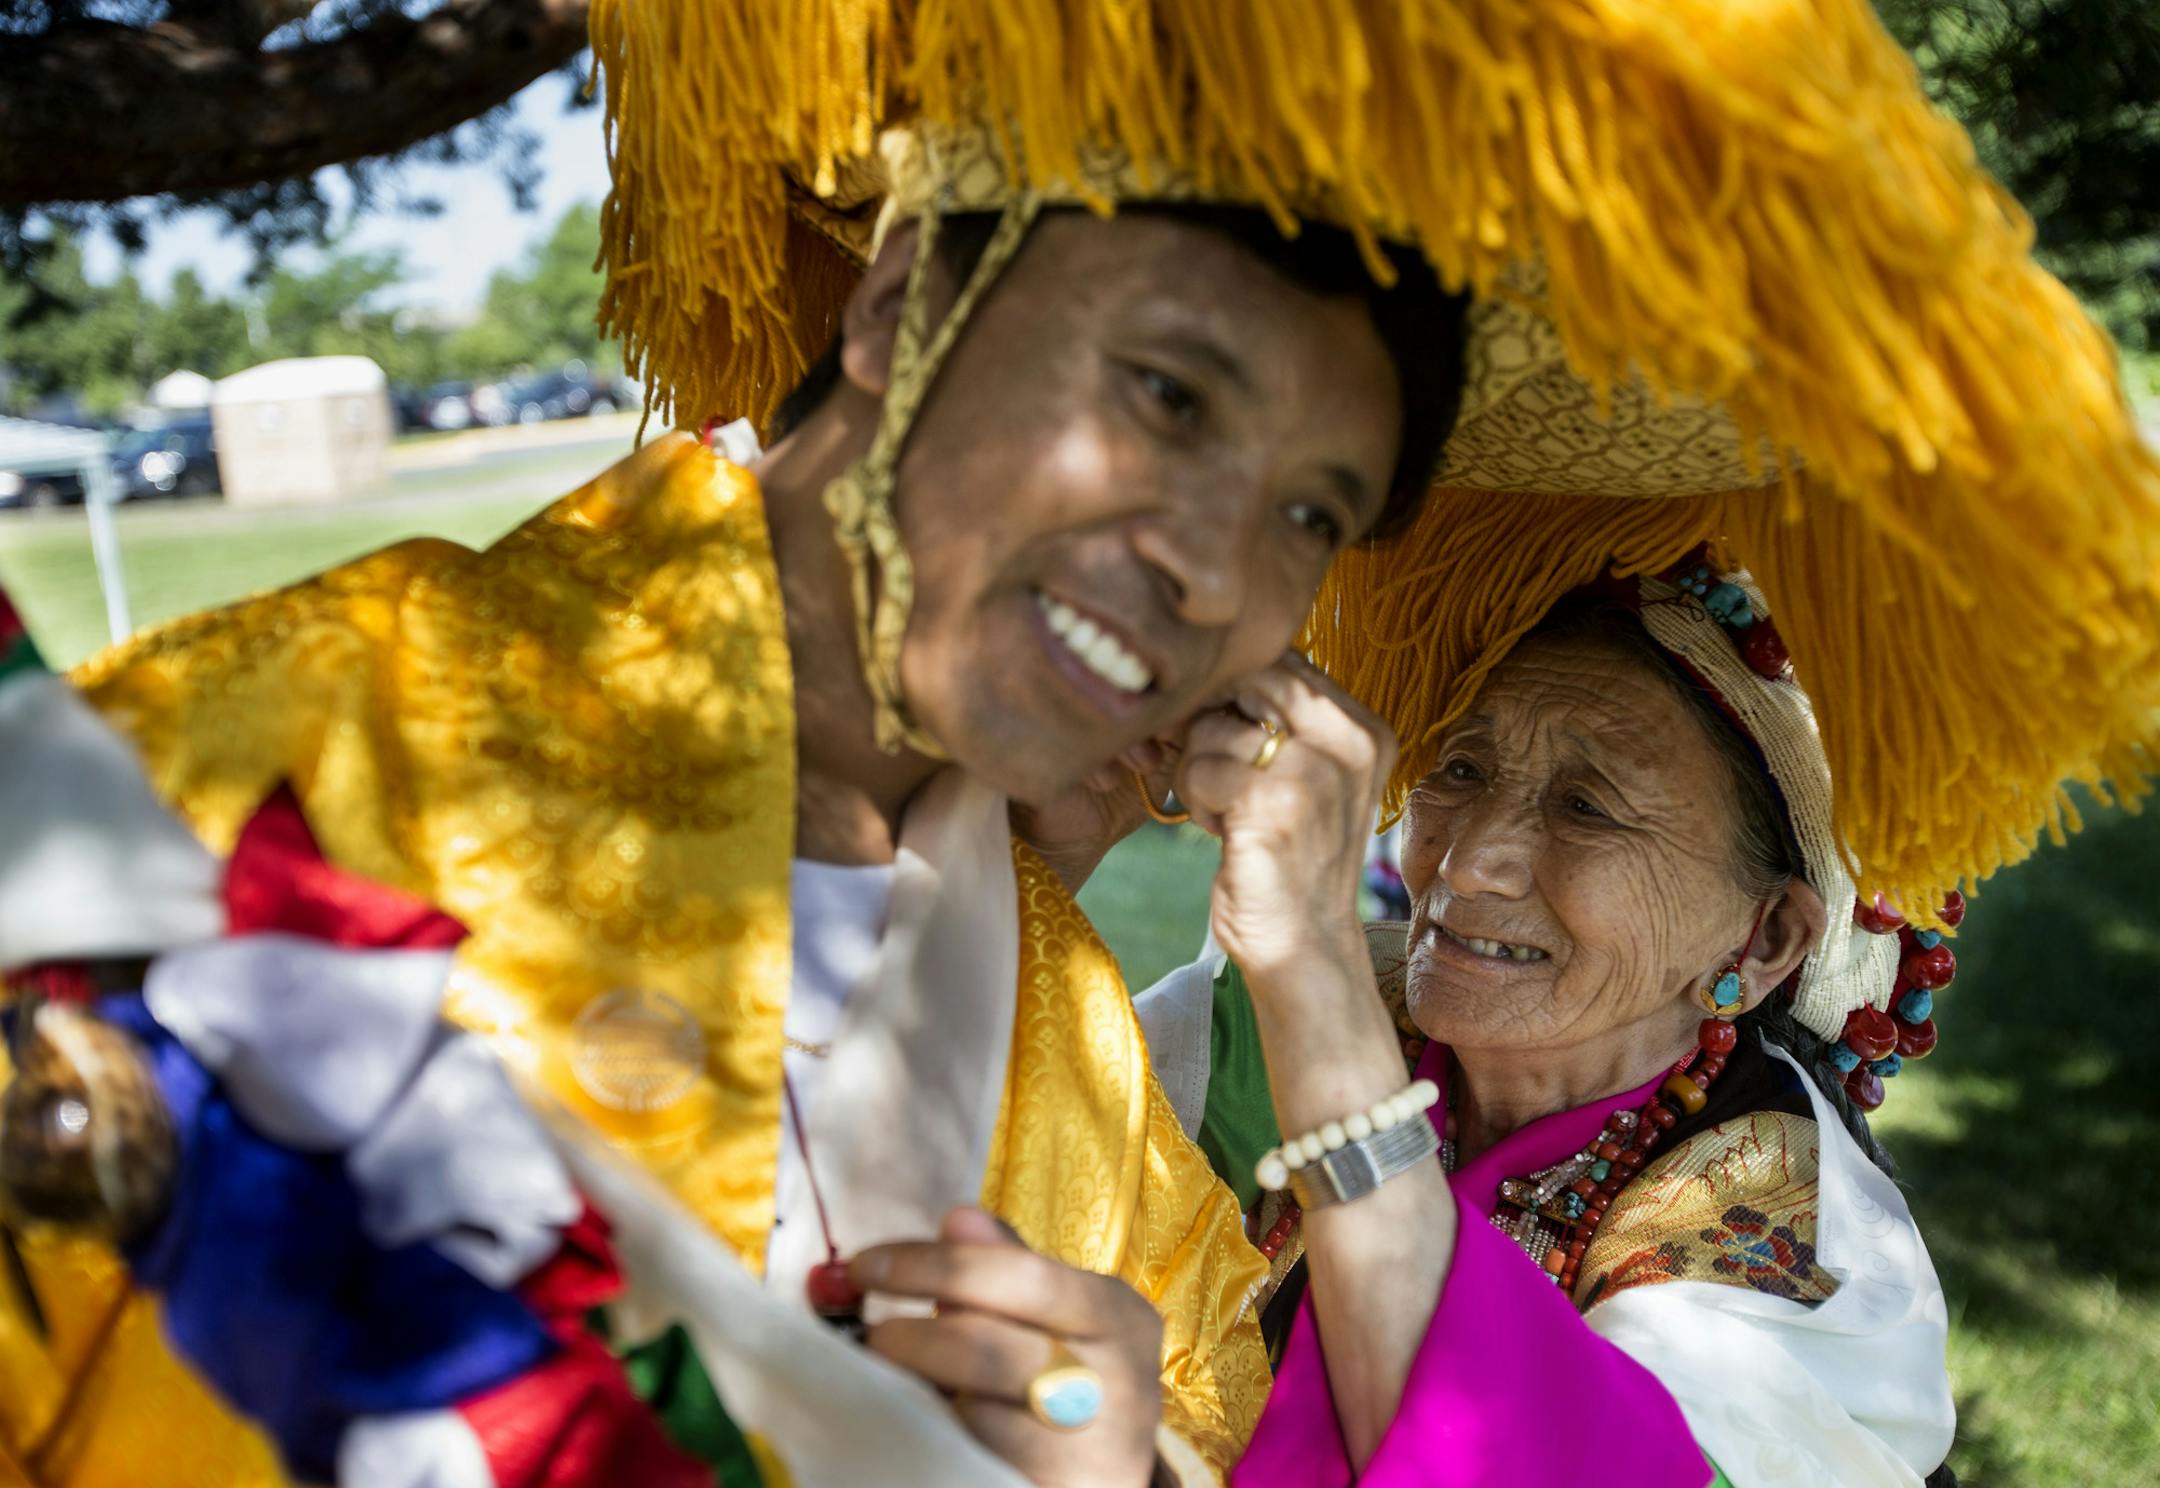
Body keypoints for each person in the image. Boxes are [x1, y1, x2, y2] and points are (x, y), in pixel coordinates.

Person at [6, 0, 2158, 1485]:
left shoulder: (1088, 1062)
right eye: (1168, 396)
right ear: (902, 294)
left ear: (1768, 933)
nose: (1220, 564)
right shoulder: (265, 766)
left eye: (1317, 511)